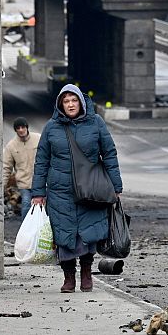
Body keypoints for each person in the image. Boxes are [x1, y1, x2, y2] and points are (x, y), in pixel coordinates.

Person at [31, 84, 122, 293]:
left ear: (81, 102)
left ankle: (87, 273)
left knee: (88, 233)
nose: (71, 104)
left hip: (90, 189)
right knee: (64, 234)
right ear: (60, 104)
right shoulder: (51, 127)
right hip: (60, 191)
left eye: (74, 100)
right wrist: (38, 192)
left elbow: (109, 153)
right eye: (66, 101)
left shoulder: (96, 122)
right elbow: (41, 160)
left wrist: (116, 186)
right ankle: (69, 277)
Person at [3, 117, 40, 219]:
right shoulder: (11, 146)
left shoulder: (38, 139)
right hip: (24, 183)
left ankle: (43, 227)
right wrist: (2, 186)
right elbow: (6, 167)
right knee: (26, 204)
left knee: (43, 206)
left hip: (40, 181)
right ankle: (25, 227)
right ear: (15, 130)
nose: (21, 130)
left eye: (23, 127)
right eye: (18, 128)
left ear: (27, 127)